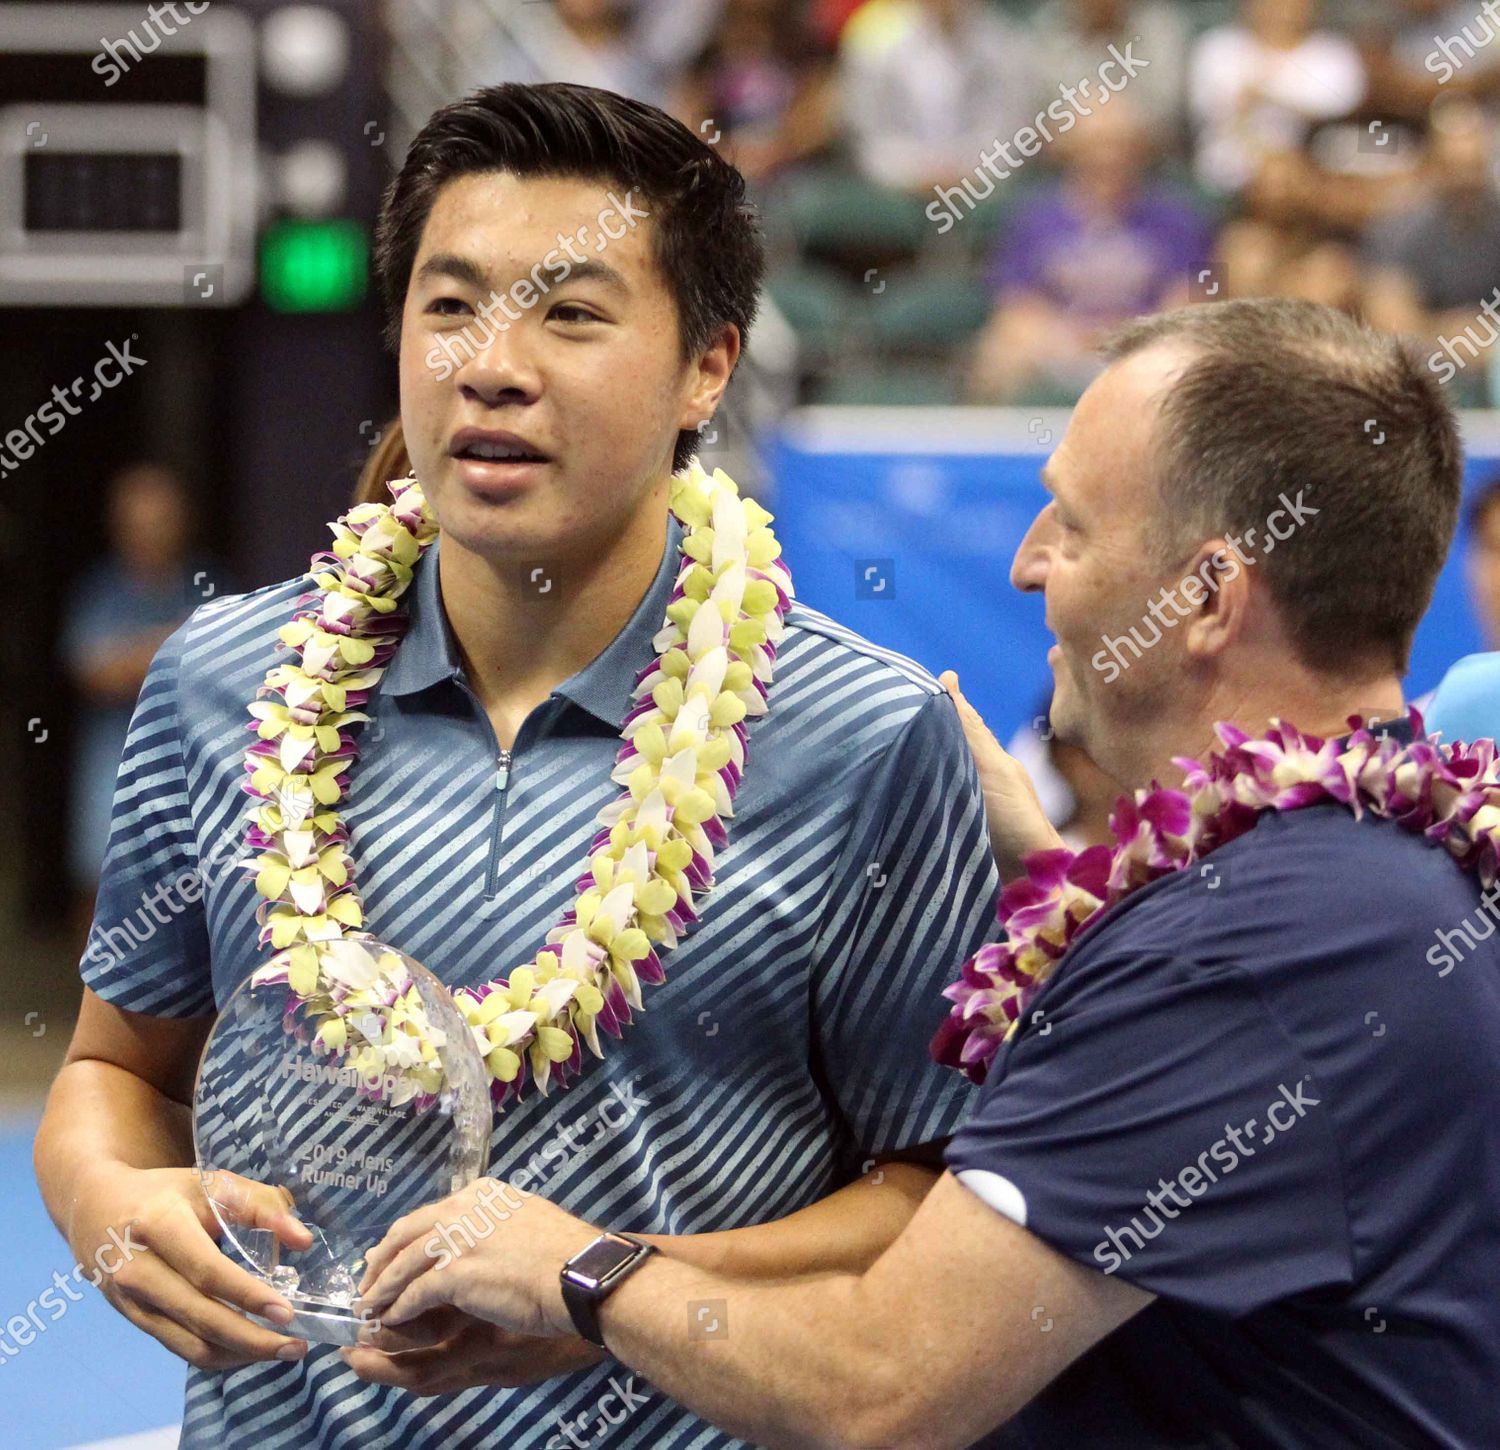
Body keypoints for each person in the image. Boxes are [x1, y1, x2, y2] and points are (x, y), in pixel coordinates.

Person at [33, 82, 998, 1449]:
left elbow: (933, 1190)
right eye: (450, 304)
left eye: (572, 314)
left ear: (708, 366)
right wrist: (109, 1202)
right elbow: (115, 1070)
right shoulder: (223, 680)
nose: (492, 363)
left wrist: (607, 1289)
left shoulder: (861, 733)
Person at [355, 299, 1500, 1447]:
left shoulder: (1238, 950)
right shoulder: (1391, 864)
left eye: (1072, 524)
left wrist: (578, 1270)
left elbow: (882, 1390)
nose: (1027, 562)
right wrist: (1061, 881)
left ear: (1206, 596)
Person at [967, 100, 1214, 403]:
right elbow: (1015, 304)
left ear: (1140, 151)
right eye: (1095, 144)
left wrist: (1122, 332)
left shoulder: (1175, 219)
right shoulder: (1034, 218)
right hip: (1057, 343)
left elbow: (1188, 303)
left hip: (1142, 346)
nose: (1108, 157)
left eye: (1120, 145)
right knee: (1001, 352)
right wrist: (1069, 335)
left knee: (1190, 352)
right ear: (1070, 151)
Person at [59, 463, 216, 932]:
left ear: (182, 521)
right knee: (98, 886)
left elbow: (222, 662)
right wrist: (174, 644)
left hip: (188, 763)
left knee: (191, 891)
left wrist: (136, 654)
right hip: (111, 758)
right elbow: (92, 670)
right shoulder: (101, 589)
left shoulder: (207, 582)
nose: (148, 534)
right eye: (136, 523)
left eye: (159, 521)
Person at [838, 0, 1028, 196]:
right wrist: (918, 172)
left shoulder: (1005, 45)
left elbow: (1009, 135)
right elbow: (866, 136)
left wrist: (962, 171)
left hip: (980, 184)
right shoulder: (876, 39)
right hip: (895, 185)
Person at [1189, 0, 1366, 195]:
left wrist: (1267, 98)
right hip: (1233, 166)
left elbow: (1342, 112)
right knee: (1275, 177)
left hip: (1320, 163)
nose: (1283, 9)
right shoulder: (1219, 47)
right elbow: (1212, 112)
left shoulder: (1334, 53)